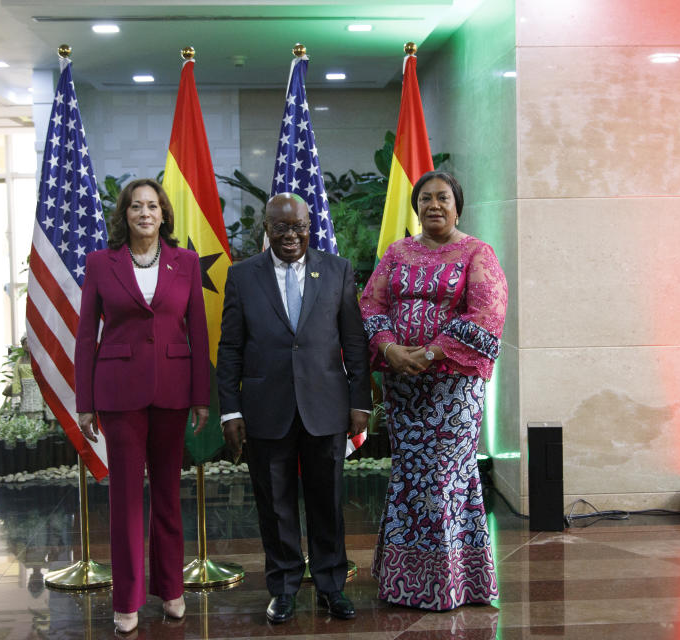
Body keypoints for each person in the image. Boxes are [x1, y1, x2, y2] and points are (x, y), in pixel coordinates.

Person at [216, 193, 370, 624]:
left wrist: (361, 400)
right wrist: (230, 411)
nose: (290, 236)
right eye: (280, 227)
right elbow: (230, 348)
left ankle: (330, 586)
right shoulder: (243, 276)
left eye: (298, 226)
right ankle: (282, 588)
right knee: (275, 505)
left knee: (328, 502)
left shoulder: (336, 270)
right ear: (266, 227)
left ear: (310, 226)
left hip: (326, 406)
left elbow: (354, 341)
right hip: (267, 408)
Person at [359, 170, 508, 611]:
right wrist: (389, 348)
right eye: (425, 199)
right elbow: (371, 302)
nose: (434, 205)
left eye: (443, 198)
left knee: (444, 480)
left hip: (454, 391)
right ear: (416, 206)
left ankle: (449, 585)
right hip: (403, 388)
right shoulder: (398, 251)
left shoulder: (477, 252)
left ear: (457, 205)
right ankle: (403, 581)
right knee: (410, 475)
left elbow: (487, 312)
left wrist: (428, 354)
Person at [74, 178, 210, 634]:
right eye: (136, 206)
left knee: (169, 495)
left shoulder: (186, 262)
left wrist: (200, 396)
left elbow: (198, 331)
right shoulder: (100, 263)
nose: (145, 213)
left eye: (152, 206)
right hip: (118, 394)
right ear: (125, 214)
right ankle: (127, 599)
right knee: (126, 499)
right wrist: (85, 401)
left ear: (164, 214)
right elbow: (84, 337)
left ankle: (172, 589)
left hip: (173, 392)